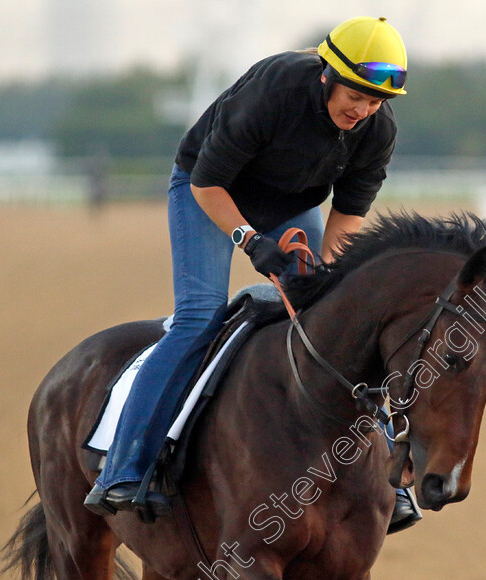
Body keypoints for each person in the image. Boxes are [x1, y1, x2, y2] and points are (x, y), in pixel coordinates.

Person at [84, 16, 421, 532]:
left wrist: (327, 278)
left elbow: (347, 216)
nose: (363, 110)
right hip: (209, 190)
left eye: (376, 102)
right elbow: (208, 181)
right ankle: (124, 467)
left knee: (334, 320)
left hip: (291, 206)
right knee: (199, 317)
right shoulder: (276, 89)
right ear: (328, 75)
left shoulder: (377, 132)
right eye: (356, 95)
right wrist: (248, 239)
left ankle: (388, 479)